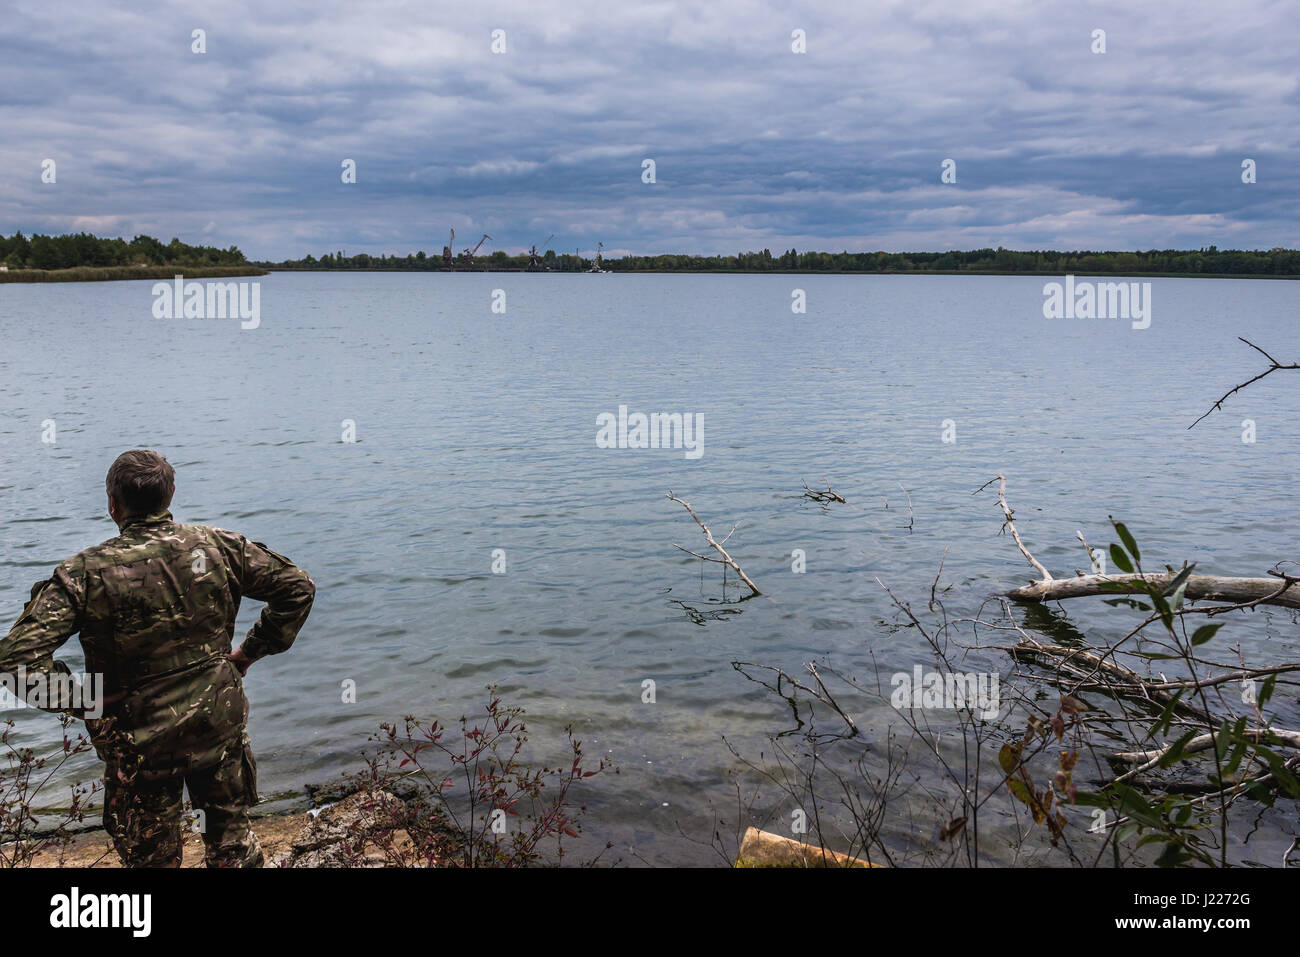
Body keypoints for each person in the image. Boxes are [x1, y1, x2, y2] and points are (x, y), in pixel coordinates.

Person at [0, 449, 314, 867]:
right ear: (171, 495)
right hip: (215, 725)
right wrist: (248, 653)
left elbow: (17, 658)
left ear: (113, 503)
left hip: (137, 741)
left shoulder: (85, 573)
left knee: (152, 860)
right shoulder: (219, 546)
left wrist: (84, 700)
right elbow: (298, 589)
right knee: (232, 847)